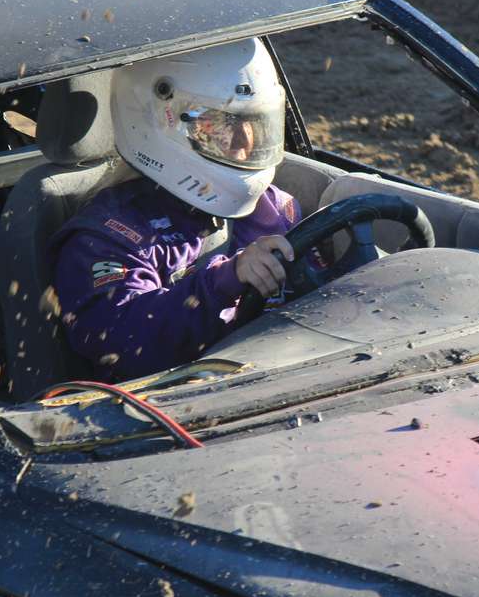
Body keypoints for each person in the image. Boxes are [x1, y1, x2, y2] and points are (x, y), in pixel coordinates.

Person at [48, 38, 300, 383]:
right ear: (161, 122)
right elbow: (121, 345)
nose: (244, 142)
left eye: (255, 123)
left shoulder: (272, 206)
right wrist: (226, 279)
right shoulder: (108, 236)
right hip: (172, 412)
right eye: (220, 125)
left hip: (289, 379)